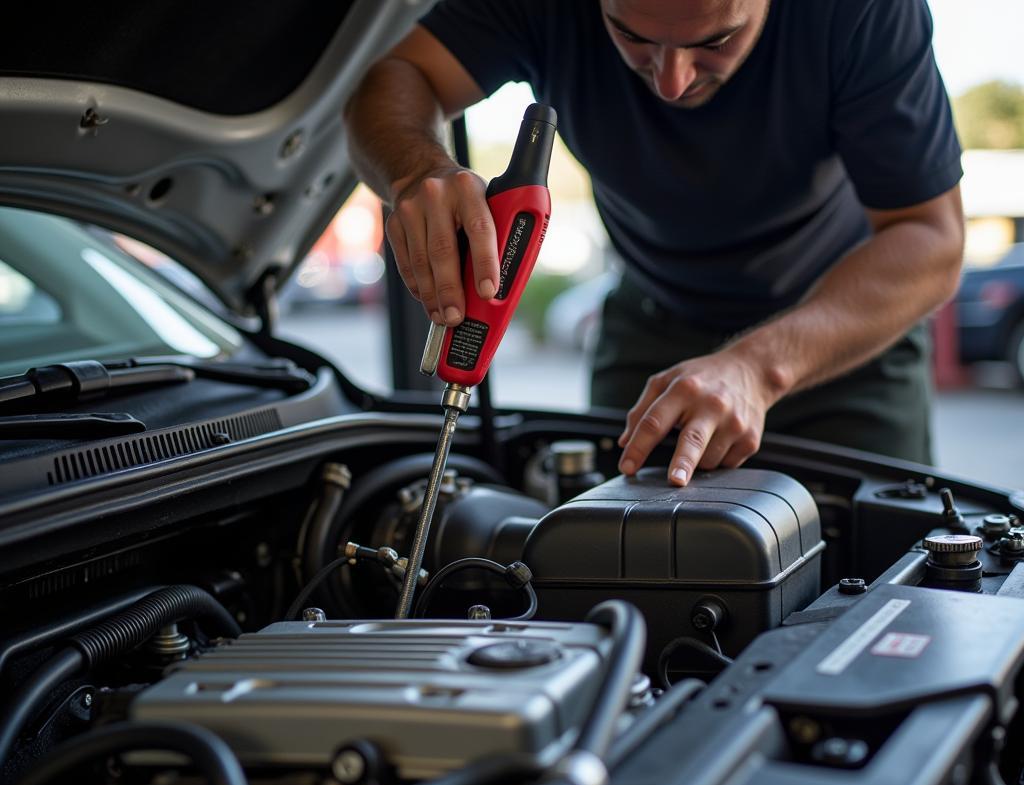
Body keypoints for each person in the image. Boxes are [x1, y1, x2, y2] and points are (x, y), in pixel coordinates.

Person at [344, 0, 964, 485]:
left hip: (840, 338)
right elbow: (401, 74)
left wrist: (756, 368)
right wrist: (417, 171)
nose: (671, 82)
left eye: (716, 41)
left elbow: (930, 238)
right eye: (632, 36)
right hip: (652, 335)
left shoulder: (865, 12)